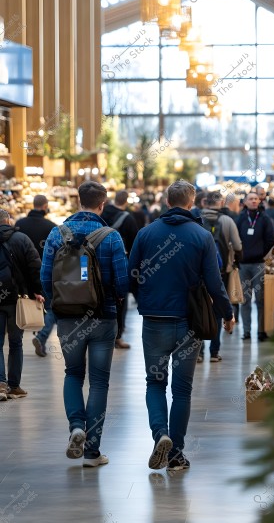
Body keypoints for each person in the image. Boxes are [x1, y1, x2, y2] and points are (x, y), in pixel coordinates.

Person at [128, 180, 235, 472]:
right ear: (192, 202)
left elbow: (131, 275)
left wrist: (145, 300)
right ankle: (175, 454)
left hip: (154, 321)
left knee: (154, 382)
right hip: (189, 321)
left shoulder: (146, 233)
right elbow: (215, 283)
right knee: (182, 389)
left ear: (166, 201)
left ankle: (159, 434)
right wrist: (226, 313)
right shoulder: (201, 236)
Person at [41, 181, 128, 467]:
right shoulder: (112, 237)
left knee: (73, 374)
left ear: (79, 201)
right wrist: (113, 301)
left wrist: (58, 304)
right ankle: (92, 451)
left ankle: (76, 427)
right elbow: (122, 281)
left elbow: (45, 278)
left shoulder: (57, 234)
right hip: (103, 317)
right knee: (99, 382)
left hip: (68, 318)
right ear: (102, 204)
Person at [0, 209, 44, 401]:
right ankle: (14, 385)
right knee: (16, 342)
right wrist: (37, 291)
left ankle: (0, 384)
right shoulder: (21, 239)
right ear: (8, 220)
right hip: (16, 298)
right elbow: (34, 266)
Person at [199, 191, 242, 362]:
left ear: (205, 202)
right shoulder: (228, 221)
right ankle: (214, 352)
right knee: (217, 308)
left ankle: (199, 352)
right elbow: (238, 245)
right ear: (222, 202)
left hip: (199, 273)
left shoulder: (196, 220)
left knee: (200, 309)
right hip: (221, 271)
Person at [15, 194, 57, 357]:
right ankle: (41, 336)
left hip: (20, 276)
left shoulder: (20, 224)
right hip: (44, 274)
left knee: (19, 307)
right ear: (45, 206)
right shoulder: (50, 226)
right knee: (51, 308)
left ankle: (17, 339)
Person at [102, 190, 139, 349]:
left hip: (98, 264)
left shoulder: (101, 214)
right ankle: (117, 336)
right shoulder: (128, 219)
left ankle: (99, 333)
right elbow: (135, 245)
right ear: (126, 201)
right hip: (120, 264)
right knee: (120, 300)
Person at [236, 192, 274, 341]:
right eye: (250, 199)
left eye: (256, 199)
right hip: (243, 265)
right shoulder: (240, 218)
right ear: (245, 202)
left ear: (259, 201)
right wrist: (240, 255)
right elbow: (235, 238)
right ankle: (246, 331)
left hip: (259, 264)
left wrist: (260, 252)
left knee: (260, 299)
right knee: (245, 300)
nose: (253, 201)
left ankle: (261, 331)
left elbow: (270, 239)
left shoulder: (265, 219)